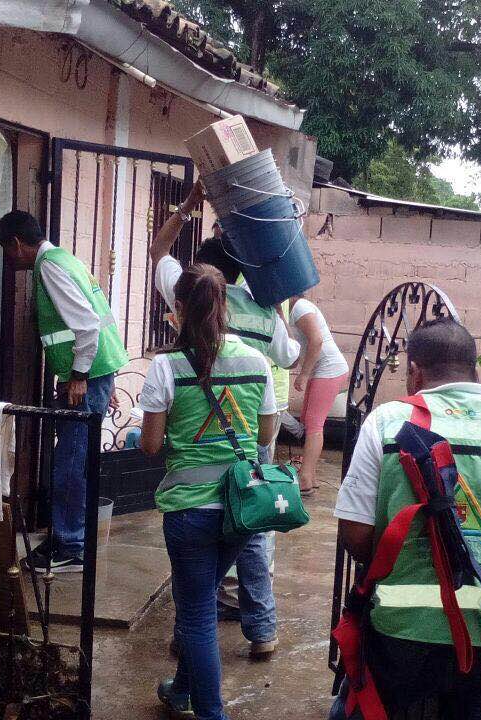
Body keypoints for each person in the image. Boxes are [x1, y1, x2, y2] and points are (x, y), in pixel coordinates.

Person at [330, 318, 481, 720]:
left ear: (414, 371)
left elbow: (355, 533)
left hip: (404, 634)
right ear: (475, 369)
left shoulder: (387, 423)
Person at [149, 183, 299, 655]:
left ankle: (189, 634)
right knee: (249, 527)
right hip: (253, 429)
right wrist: (274, 296)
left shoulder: (185, 293)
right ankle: (262, 631)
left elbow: (156, 249)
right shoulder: (260, 313)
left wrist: (190, 203)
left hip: (198, 432)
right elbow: (290, 356)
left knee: (196, 530)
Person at [137, 263, 278, 720]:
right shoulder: (256, 361)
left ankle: (211, 712)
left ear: (178, 309)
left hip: (189, 513)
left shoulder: (166, 367)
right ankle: (181, 692)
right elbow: (265, 434)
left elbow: (152, 445)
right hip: (241, 511)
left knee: (197, 615)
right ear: (225, 305)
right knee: (199, 599)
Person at [0, 210, 128, 573]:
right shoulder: (66, 259)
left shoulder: (51, 268)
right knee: (75, 458)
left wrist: (81, 376)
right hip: (97, 373)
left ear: (17, 244)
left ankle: (70, 545)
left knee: (69, 462)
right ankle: (67, 536)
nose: (10, 260)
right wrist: (104, 378)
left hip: (86, 376)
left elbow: (86, 325)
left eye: (7, 251)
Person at [285, 294, 349, 495]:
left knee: (314, 424)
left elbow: (316, 341)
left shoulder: (300, 307)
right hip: (323, 370)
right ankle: (309, 475)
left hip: (329, 369)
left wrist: (303, 375)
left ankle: (305, 479)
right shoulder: (295, 309)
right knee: (308, 421)